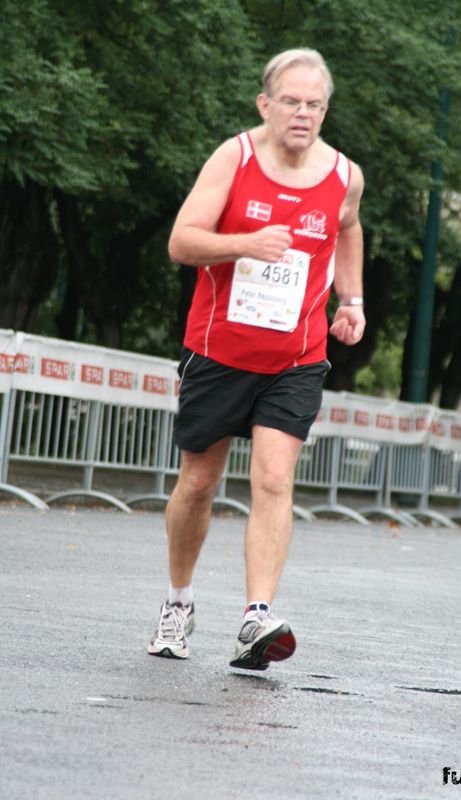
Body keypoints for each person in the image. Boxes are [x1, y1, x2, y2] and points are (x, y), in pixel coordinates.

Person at [148, 48, 366, 670]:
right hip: (219, 351)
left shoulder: (344, 175)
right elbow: (180, 242)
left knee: (273, 478)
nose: (303, 114)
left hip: (297, 355)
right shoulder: (235, 158)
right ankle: (178, 601)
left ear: (326, 110)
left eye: (314, 104)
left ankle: (255, 617)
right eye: (291, 102)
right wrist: (247, 243)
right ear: (265, 104)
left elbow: (348, 227)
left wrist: (351, 299)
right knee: (199, 482)